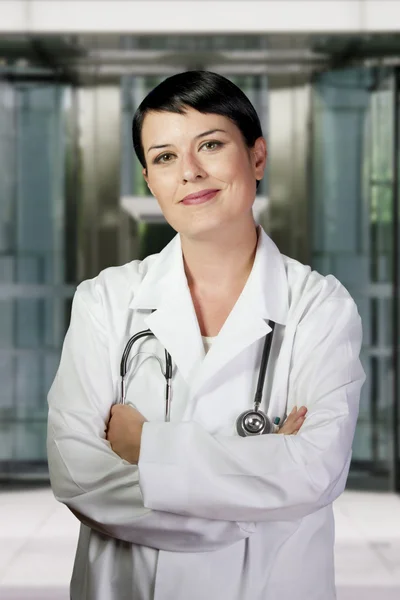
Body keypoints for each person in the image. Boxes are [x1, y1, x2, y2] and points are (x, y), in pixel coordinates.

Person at [47, 70, 365, 600]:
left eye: (211, 145)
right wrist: (251, 510)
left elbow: (316, 472)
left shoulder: (319, 306)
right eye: (165, 157)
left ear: (257, 158)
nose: (189, 172)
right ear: (149, 180)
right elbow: (79, 475)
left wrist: (145, 444)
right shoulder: (104, 301)